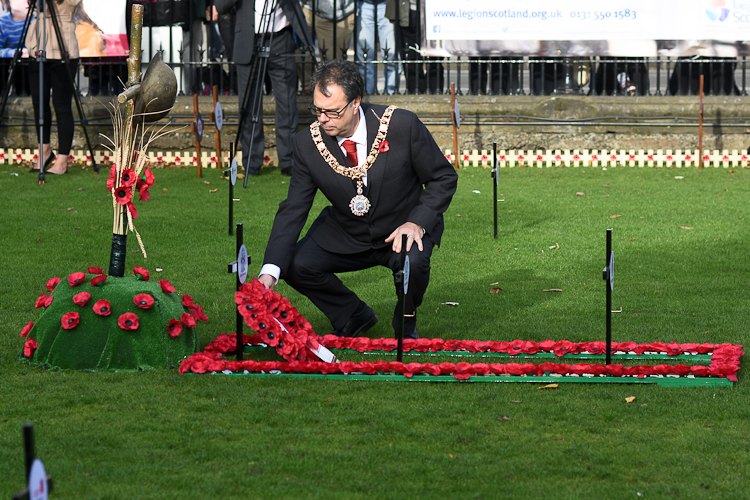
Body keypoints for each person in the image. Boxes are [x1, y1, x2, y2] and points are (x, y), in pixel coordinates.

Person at [258, 60, 457, 339]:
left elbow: (443, 178)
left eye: (332, 112)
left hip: (403, 226)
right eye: (317, 110)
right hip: (347, 232)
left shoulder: (402, 125)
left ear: (356, 103)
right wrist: (269, 271)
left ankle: (405, 321)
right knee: (293, 263)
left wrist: (417, 223)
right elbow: (294, 208)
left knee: (414, 261)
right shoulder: (306, 144)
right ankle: (353, 316)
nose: (323, 119)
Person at [215, 0, 313, 176]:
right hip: (248, 40)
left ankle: (289, 160)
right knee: (249, 103)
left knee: (287, 105)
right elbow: (221, 6)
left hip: (281, 38)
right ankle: (252, 160)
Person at [26, 0, 81, 175]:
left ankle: (62, 161)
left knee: (62, 105)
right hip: (38, 43)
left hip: (62, 45)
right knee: (39, 102)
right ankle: (45, 151)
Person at [356, 0, 397, 95]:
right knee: (365, 56)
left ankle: (391, 94)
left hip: (387, 4)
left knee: (391, 55)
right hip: (364, 4)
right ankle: (367, 93)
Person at [0, 0, 30, 97]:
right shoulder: (2, 22)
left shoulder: (36, 21)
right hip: (10, 61)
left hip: (29, 63)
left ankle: (26, 93)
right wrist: (13, 53)